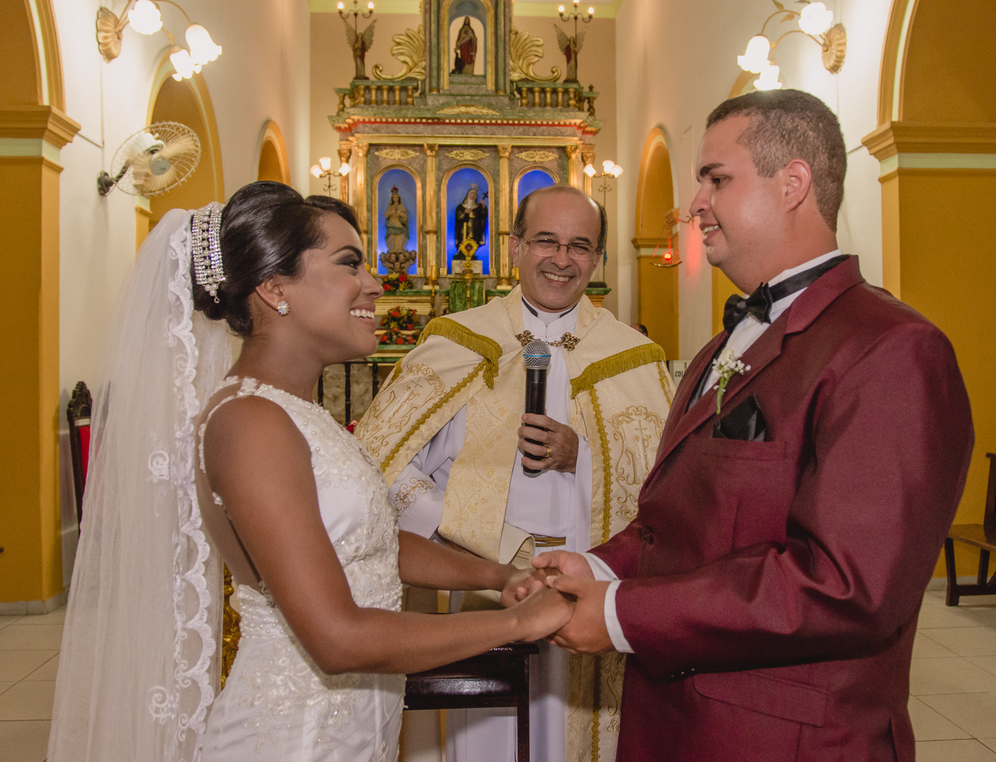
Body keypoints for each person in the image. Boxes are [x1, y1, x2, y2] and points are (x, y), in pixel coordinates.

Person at [512, 90, 974, 761]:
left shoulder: (891, 348)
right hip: (673, 716)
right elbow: (680, 523)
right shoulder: (717, 349)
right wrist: (591, 566)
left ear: (793, 184)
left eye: (717, 179)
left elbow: (848, 585)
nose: (695, 202)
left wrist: (618, 613)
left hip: (777, 737)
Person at [47, 181, 572, 762]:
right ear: (275, 290)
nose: (373, 283)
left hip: (350, 731)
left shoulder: (294, 413)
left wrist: (497, 577)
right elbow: (336, 637)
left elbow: (370, 545)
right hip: (289, 738)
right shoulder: (249, 422)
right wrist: (518, 625)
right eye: (348, 263)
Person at [356, 185, 675, 762]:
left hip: (586, 584)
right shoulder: (456, 341)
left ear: (597, 258)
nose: (562, 259)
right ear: (514, 246)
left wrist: (585, 456)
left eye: (580, 246)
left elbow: (663, 489)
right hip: (476, 586)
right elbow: (383, 464)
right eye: (546, 241)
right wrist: (462, 536)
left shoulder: (633, 357)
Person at [452, 183, 487, 260]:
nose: (472, 195)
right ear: (468, 195)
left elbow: (482, 216)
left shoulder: (478, 207)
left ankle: (472, 253)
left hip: (474, 229)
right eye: (471, 193)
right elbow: (458, 218)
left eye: (474, 194)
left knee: (473, 242)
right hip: (463, 230)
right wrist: (465, 213)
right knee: (462, 242)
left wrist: (483, 207)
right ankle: (460, 251)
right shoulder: (461, 207)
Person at [384, 186, 409, 253]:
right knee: (392, 239)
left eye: (396, 197)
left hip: (399, 224)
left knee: (399, 239)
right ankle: (392, 252)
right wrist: (391, 212)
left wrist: (400, 213)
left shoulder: (401, 206)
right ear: (392, 198)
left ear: (398, 198)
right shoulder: (390, 206)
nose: (395, 199)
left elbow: (405, 216)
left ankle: (400, 251)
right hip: (392, 224)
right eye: (394, 197)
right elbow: (386, 215)